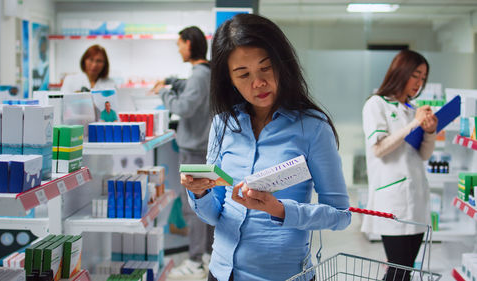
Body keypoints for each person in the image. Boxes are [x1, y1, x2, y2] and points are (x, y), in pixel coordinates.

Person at [180, 14, 351, 281]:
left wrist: (280, 210)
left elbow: (340, 216)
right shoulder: (222, 124)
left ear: (283, 65)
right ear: (230, 80)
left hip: (285, 275)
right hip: (223, 273)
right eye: (243, 74)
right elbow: (214, 215)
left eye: (266, 68)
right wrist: (199, 193)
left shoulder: (313, 128)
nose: (258, 83)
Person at [361, 50, 438, 281]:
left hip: (416, 200)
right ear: (400, 72)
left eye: (423, 77)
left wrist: (430, 131)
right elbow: (379, 149)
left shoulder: (411, 109)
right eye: (416, 75)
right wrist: (414, 124)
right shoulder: (376, 104)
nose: (419, 82)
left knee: (405, 271)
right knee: (398, 271)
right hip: (393, 201)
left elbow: (423, 154)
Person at [151, 26, 213, 279]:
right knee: (205, 204)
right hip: (202, 147)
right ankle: (207, 254)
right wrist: (172, 81)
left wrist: (164, 92)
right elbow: (190, 87)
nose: (178, 49)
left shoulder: (199, 75)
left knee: (194, 207)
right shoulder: (205, 72)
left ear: (189, 44)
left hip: (194, 150)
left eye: (179, 43)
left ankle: (196, 260)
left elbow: (185, 107)